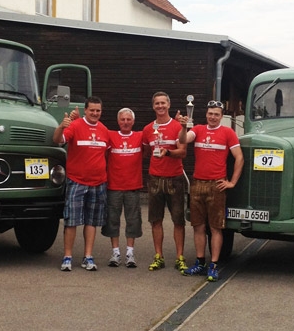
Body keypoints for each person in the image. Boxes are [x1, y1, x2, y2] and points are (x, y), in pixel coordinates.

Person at [178, 100, 244, 282]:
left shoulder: (228, 133)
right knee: (198, 226)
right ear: (206, 115)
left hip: (217, 185)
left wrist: (232, 182)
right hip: (198, 184)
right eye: (210, 114)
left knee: (215, 227)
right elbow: (182, 140)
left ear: (221, 117)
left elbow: (239, 158)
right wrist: (183, 127)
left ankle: (214, 265)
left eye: (216, 114)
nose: (213, 117)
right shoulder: (198, 130)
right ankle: (200, 262)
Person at [53, 96, 109, 271]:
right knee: (71, 221)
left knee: (91, 221)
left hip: (98, 183)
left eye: (98, 110)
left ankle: (88, 257)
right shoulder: (75, 126)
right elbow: (57, 140)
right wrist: (62, 126)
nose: (95, 113)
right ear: (86, 110)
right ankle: (68, 257)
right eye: (92, 110)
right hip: (76, 181)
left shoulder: (104, 130)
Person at [142, 91, 188, 272]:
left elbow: (183, 152)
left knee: (178, 220)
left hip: (174, 179)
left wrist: (168, 152)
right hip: (155, 178)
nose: (160, 106)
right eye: (157, 104)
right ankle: (158, 256)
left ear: (168, 105)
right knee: (156, 220)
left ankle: (180, 257)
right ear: (153, 106)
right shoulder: (147, 129)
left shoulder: (178, 126)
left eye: (163, 103)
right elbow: (145, 152)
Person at [102, 108, 143, 268]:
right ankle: (116, 252)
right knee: (112, 220)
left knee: (132, 220)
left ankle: (130, 253)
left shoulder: (140, 136)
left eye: (128, 119)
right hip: (113, 186)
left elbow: (146, 152)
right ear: (118, 121)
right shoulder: (110, 135)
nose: (125, 122)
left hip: (133, 186)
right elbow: (104, 155)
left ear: (133, 121)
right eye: (123, 119)